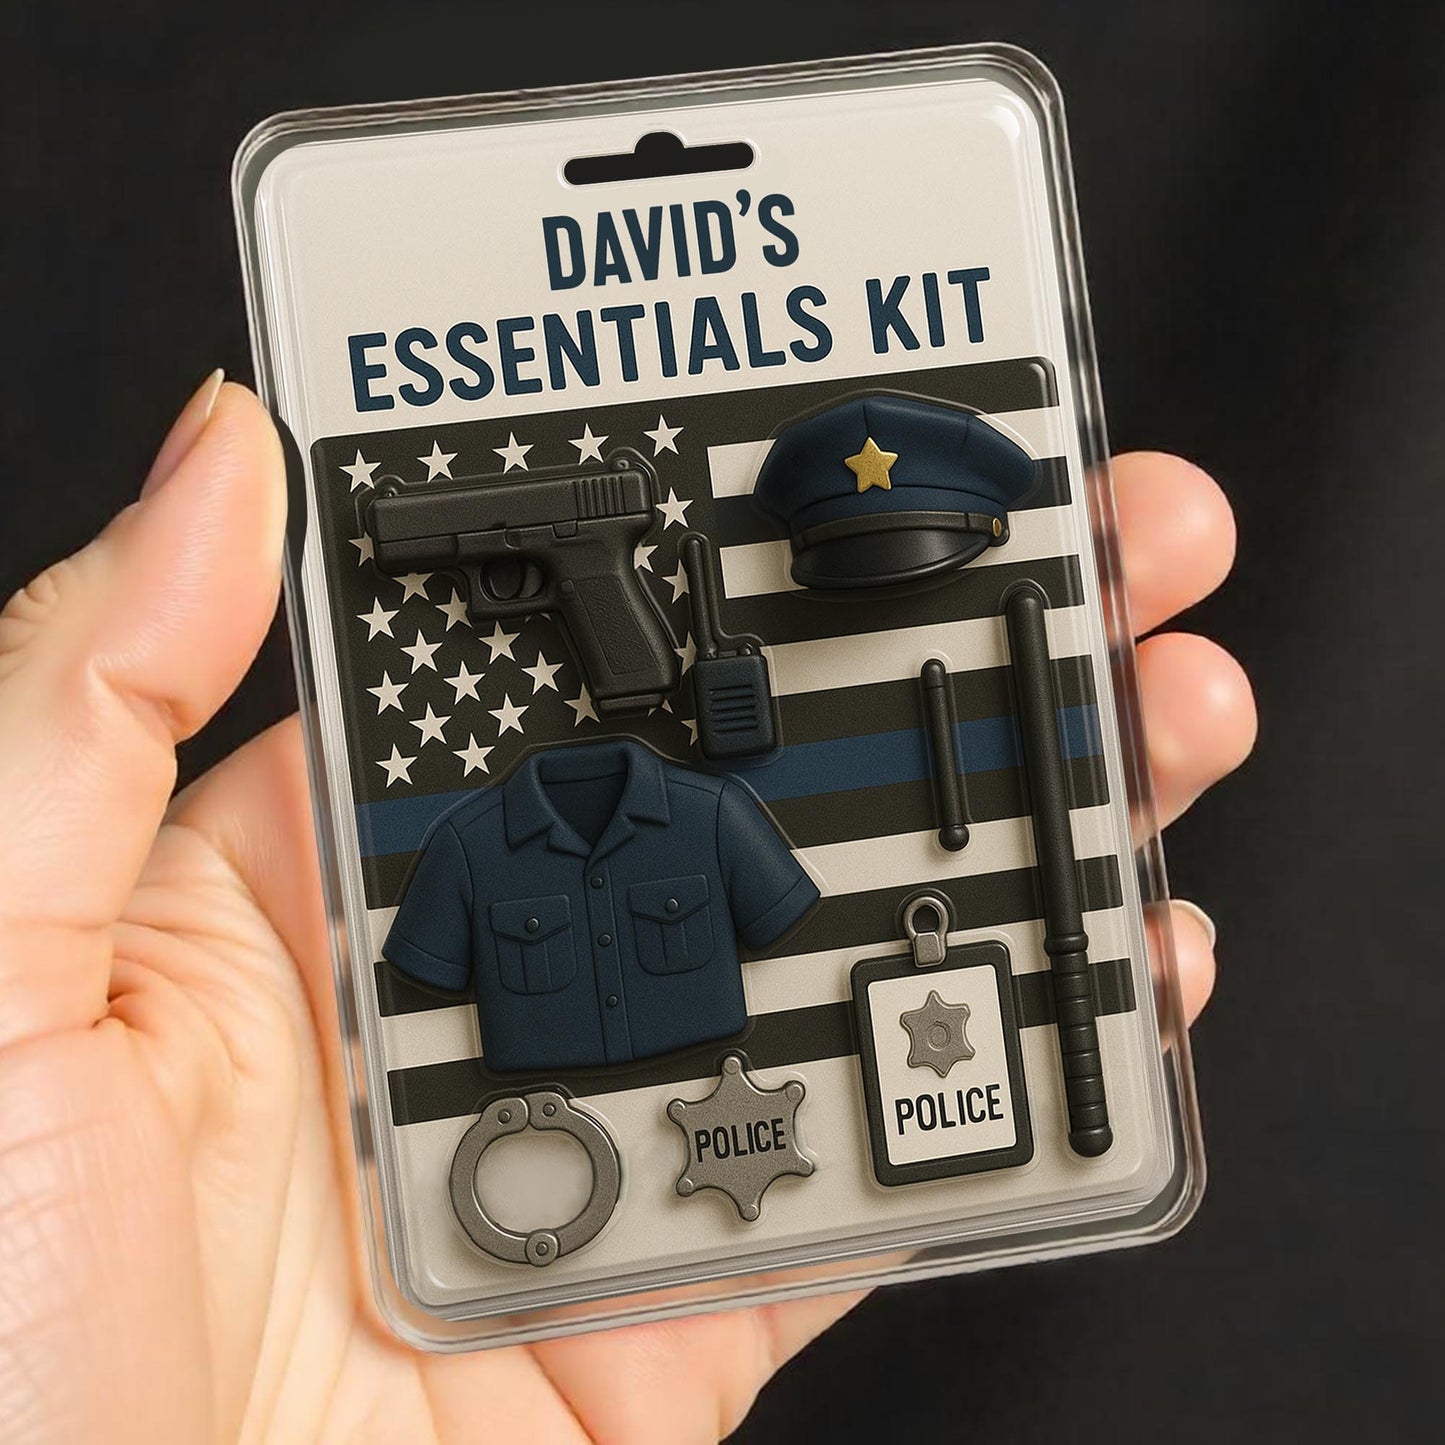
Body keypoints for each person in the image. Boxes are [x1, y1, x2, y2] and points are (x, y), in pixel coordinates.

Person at [0, 375, 1255, 1443]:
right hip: (417, 1298)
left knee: (629, 651)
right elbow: (424, 965)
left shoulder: (689, 808)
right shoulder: (472, 838)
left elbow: (780, 915)